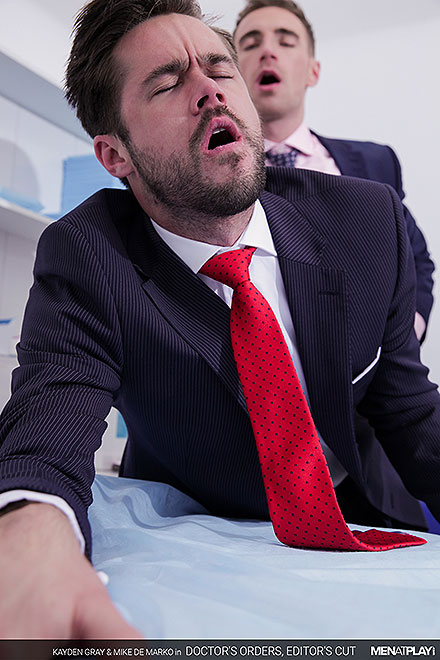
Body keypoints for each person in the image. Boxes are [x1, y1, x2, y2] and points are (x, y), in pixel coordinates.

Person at [1, 0, 440, 639]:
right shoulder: (88, 254)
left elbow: (410, 411)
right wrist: (28, 547)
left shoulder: (367, 221)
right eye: (166, 84)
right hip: (197, 537)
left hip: (358, 510)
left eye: (218, 68)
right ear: (115, 155)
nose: (209, 91)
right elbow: (47, 428)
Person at [233, 0, 434, 341]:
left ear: (313, 71)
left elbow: (414, 259)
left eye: (286, 41)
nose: (267, 51)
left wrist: (405, 336)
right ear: (233, 76)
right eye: (251, 44)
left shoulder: (375, 163)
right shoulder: (214, 176)